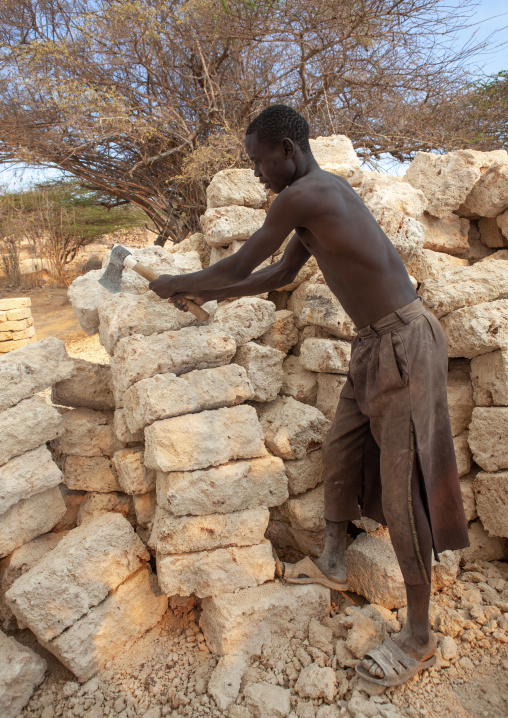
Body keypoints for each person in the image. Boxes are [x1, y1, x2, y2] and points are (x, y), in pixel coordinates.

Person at [149, 104, 469, 687]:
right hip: (374, 345)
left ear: (286, 151)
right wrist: (211, 296)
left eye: (257, 161)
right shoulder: (313, 198)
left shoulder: (302, 195)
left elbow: (245, 260)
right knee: (340, 449)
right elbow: (275, 276)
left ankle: (419, 637)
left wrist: (179, 282)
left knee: (401, 491)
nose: (255, 173)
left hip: (404, 342)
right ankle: (332, 559)